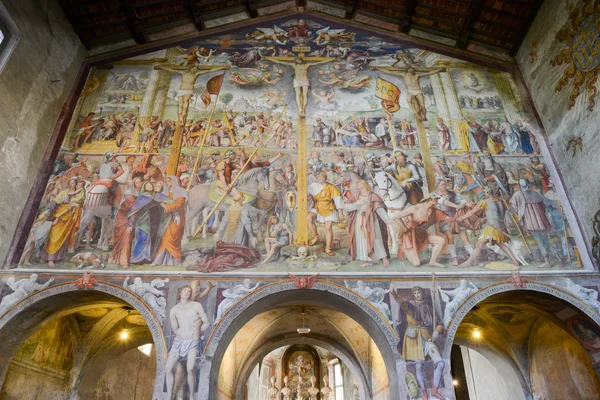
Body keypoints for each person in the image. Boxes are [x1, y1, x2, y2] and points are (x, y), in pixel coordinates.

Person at [392, 286, 445, 400]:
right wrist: (395, 295)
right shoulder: (409, 305)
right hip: (413, 338)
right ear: (413, 295)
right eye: (415, 293)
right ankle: (424, 392)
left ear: (422, 294)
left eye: (419, 292)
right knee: (419, 365)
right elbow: (402, 303)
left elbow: (440, 323)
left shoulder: (428, 307)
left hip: (426, 336)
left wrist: (436, 331)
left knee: (440, 362)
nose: (417, 295)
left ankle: (435, 390)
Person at [165, 285, 210, 400]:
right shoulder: (174, 310)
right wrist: (179, 333)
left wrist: (197, 332)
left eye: (189, 291)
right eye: (184, 290)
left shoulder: (196, 306)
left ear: (190, 294)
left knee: (190, 368)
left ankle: (191, 396)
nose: (186, 292)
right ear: (180, 292)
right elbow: (175, 328)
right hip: (179, 342)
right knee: (168, 368)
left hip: (193, 341)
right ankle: (169, 397)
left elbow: (206, 323)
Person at [458, 186, 520, 267]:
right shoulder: (502, 202)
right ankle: (514, 260)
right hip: (501, 228)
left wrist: (462, 218)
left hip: (491, 228)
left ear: (489, 193)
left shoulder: (484, 202)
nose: (484, 194)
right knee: (501, 245)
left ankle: (468, 262)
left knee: (479, 245)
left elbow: (471, 212)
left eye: (485, 192)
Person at [344, 180, 397, 267]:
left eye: (360, 185)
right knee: (362, 241)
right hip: (359, 221)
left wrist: (388, 220)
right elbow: (346, 207)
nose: (358, 187)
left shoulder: (373, 196)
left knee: (376, 239)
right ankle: (368, 260)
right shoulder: (355, 196)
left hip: (372, 221)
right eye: (357, 185)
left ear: (366, 185)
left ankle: (384, 258)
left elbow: (379, 209)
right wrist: (356, 204)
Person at [392, 194, 448, 268]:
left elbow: (446, 218)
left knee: (441, 240)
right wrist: (404, 228)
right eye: (435, 199)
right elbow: (396, 216)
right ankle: (403, 247)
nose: (437, 200)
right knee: (417, 264)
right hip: (410, 236)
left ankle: (432, 261)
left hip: (421, 234)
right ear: (429, 199)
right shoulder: (415, 208)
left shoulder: (433, 210)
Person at [510, 179, 556, 268]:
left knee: (540, 241)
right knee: (545, 240)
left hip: (530, 222)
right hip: (541, 221)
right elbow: (544, 206)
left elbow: (514, 208)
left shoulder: (518, 194)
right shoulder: (535, 193)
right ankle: (551, 259)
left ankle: (548, 261)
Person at [41, 177, 86, 267]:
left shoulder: (79, 194)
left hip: (69, 218)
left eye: (73, 183)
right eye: (70, 183)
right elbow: (54, 203)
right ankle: (48, 258)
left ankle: (58, 257)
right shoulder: (63, 193)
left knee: (63, 238)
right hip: (59, 216)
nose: (71, 185)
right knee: (54, 237)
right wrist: (46, 213)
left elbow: (80, 204)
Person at [307, 171, 344, 256]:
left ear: (326, 178)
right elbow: (304, 191)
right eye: (318, 176)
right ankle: (316, 236)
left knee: (328, 228)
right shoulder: (313, 186)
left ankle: (328, 248)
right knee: (308, 218)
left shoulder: (331, 187)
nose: (320, 178)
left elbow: (337, 199)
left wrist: (340, 213)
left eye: (322, 176)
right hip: (317, 206)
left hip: (328, 207)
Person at [153, 176, 187, 266]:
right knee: (164, 238)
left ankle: (175, 260)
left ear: (174, 181)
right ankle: (159, 260)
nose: (167, 183)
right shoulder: (165, 192)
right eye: (166, 181)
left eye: (169, 181)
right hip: (167, 218)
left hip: (178, 217)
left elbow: (177, 205)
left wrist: (162, 204)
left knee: (173, 239)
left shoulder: (180, 191)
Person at [109, 177, 142, 269]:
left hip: (132, 217)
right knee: (126, 238)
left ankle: (124, 258)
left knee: (130, 239)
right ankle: (124, 261)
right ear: (133, 184)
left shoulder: (140, 193)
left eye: (140, 182)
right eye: (137, 182)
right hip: (124, 218)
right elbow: (132, 205)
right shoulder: (129, 193)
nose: (140, 183)